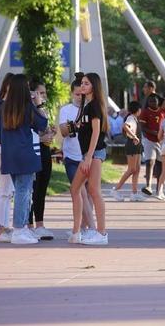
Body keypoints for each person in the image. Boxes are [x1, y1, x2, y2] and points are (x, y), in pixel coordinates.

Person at [0, 74, 48, 244]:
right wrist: (39, 104)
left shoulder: (4, 107)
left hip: (9, 156)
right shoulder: (27, 107)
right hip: (25, 154)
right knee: (24, 192)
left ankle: (23, 228)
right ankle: (19, 229)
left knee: (21, 191)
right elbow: (42, 124)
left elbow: (1, 133)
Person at [68, 73, 109, 245]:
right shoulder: (86, 106)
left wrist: (89, 157)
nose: (82, 86)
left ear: (94, 86)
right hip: (88, 155)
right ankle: (76, 231)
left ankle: (101, 233)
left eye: (86, 83)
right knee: (75, 189)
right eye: (81, 83)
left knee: (93, 190)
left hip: (94, 153)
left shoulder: (94, 107)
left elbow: (97, 132)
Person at [58, 75, 96, 237]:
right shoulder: (66, 110)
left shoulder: (91, 109)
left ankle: (83, 227)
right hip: (72, 157)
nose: (80, 97)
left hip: (89, 155)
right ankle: (93, 229)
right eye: (77, 94)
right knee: (79, 191)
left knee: (89, 193)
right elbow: (63, 131)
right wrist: (74, 125)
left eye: (83, 94)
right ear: (72, 93)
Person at [28, 80, 56, 240]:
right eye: (41, 93)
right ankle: (29, 225)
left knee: (41, 190)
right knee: (32, 190)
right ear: (33, 94)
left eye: (45, 93)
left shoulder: (41, 109)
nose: (44, 96)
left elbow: (44, 126)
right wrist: (41, 137)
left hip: (45, 153)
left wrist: (50, 132)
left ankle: (40, 224)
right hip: (33, 153)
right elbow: (27, 133)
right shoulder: (29, 109)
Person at [0, 73, 15, 243]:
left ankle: (4, 226)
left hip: (10, 150)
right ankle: (0, 229)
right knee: (4, 191)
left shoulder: (10, 105)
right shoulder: (1, 105)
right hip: (3, 149)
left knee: (8, 191)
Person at [111, 101, 147, 202]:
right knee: (131, 169)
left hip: (138, 146)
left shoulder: (135, 118)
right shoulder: (131, 118)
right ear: (138, 110)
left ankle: (134, 193)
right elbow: (125, 126)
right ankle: (116, 189)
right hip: (132, 145)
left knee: (137, 169)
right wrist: (134, 136)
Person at [139, 93, 165, 196]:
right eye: (150, 101)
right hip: (149, 140)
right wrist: (153, 133)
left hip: (161, 142)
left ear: (158, 102)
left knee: (160, 165)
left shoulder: (163, 112)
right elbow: (142, 127)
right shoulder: (145, 112)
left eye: (154, 101)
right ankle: (148, 186)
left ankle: (159, 189)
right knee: (150, 162)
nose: (152, 103)